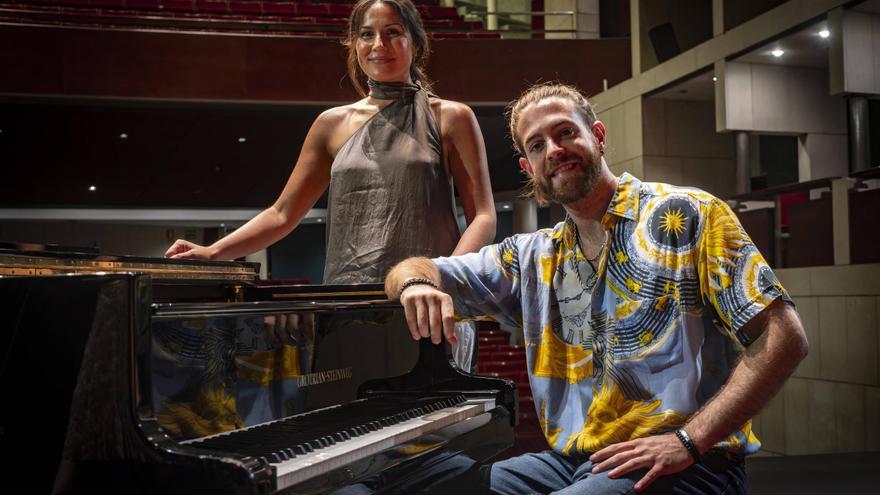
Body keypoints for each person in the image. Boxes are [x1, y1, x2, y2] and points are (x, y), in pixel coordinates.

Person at [384, 82, 809, 494]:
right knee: (410, 483)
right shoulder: (532, 255)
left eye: (565, 132)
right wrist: (416, 283)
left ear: (598, 135)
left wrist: (688, 440)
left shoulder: (688, 214)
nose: (554, 150)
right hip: (572, 462)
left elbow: (784, 337)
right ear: (528, 168)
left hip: (688, 464)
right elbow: (409, 270)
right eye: (537, 145)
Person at [165, 0, 496, 286]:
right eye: (367, 34)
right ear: (354, 45)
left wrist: (439, 276)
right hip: (346, 293)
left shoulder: (452, 117)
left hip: (430, 295)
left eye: (393, 32)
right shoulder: (331, 124)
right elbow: (282, 214)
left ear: (417, 44)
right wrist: (212, 252)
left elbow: (483, 216)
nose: (379, 44)